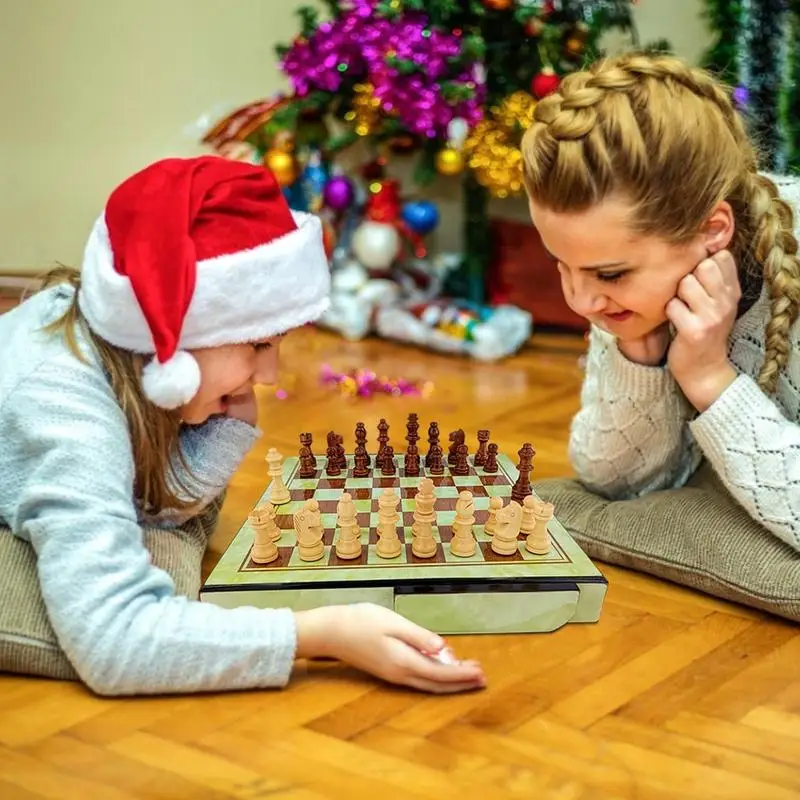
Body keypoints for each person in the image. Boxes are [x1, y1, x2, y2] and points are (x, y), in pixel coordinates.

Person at [0, 156, 485, 695]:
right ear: (172, 343)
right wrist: (322, 634)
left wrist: (222, 422)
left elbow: (164, 509)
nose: (271, 374)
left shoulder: (131, 358)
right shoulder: (71, 421)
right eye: (257, 345)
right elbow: (115, 642)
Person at [520, 53, 799, 552]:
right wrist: (640, 355)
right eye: (560, 263)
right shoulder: (629, 285)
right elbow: (612, 481)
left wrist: (711, 382)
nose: (580, 300)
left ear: (713, 231)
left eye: (609, 273)